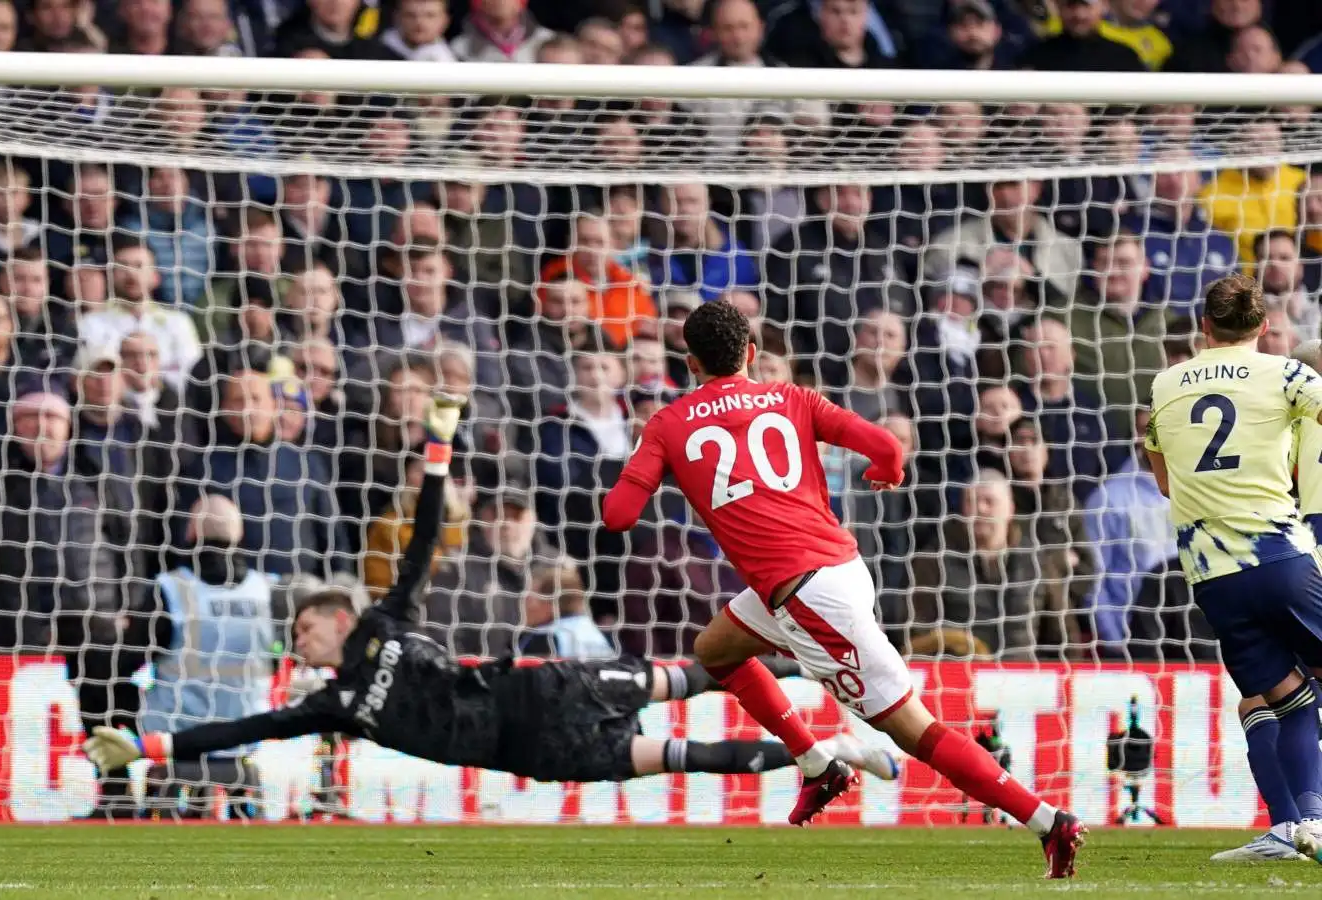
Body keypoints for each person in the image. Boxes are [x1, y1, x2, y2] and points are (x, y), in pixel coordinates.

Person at [83, 395, 896, 789]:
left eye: (302, 632)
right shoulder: (333, 704)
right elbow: (246, 724)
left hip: (538, 687)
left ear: (335, 618)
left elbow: (425, 541)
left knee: (691, 676)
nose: (297, 647)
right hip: (529, 752)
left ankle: (821, 665)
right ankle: (836, 755)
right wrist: (147, 746)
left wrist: (437, 450)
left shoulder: (379, 625)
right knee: (690, 757)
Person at [601, 300, 1085, 878]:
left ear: (690, 362)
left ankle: (1047, 821)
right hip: (836, 567)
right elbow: (885, 446)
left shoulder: (669, 422)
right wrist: (889, 473)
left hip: (809, 598)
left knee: (913, 729)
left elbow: (619, 516)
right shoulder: (793, 398)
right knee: (716, 650)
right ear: (751, 355)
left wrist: (650, 459)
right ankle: (816, 765)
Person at [1144, 276, 1322, 864]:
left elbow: (1164, 477)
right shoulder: (1287, 373)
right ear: (1264, 327)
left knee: (1281, 699)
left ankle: (1298, 827)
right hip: (1280, 556)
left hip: (1212, 576)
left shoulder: (1164, 385)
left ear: (1204, 326)